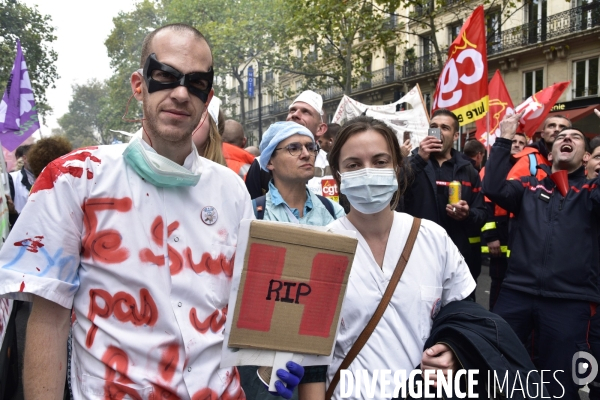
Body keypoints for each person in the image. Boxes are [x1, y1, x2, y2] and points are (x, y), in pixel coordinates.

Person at [0, 24, 303, 399]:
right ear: (139, 84)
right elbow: (48, 319)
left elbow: (241, 310)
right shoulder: (74, 178)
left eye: (196, 83)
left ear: (207, 99)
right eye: (165, 76)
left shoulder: (230, 191)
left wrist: (268, 366)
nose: (180, 93)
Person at [297, 116, 476, 399]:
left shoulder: (433, 238)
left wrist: (454, 351)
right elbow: (312, 359)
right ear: (338, 175)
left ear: (396, 168)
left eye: (380, 162)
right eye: (354, 165)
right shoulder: (322, 249)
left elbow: (464, 316)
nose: (368, 173)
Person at [483, 112, 600, 399]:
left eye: (575, 137)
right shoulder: (529, 186)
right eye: (560, 137)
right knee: (497, 366)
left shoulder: (591, 193)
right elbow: (493, 187)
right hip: (517, 293)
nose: (567, 138)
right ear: (550, 151)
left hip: (569, 301)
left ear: (585, 157)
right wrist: (504, 138)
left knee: (561, 380)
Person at [240, 120, 344, 399]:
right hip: (267, 348)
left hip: (323, 342)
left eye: (311, 147)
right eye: (294, 148)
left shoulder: (333, 211)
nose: (306, 153)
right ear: (270, 161)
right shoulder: (253, 213)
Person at [402, 109, 487, 282]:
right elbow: (396, 191)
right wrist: (419, 159)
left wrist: (467, 214)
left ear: (456, 136)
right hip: (417, 255)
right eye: (434, 126)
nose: (438, 131)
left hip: (457, 257)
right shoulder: (412, 163)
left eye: (445, 128)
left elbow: (482, 213)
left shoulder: (468, 170)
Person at [245, 90, 328, 199]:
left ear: (320, 129)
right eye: (292, 110)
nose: (295, 115)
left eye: (305, 112)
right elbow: (251, 209)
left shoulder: (333, 162)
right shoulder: (262, 164)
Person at [508, 115, 571, 180]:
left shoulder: (579, 161)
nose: (557, 129)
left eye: (563, 127)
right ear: (542, 134)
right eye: (552, 126)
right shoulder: (529, 160)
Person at [9, 144, 34, 214]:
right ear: (25, 159)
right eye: (34, 157)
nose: (38, 160)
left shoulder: (50, 177)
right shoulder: (11, 179)